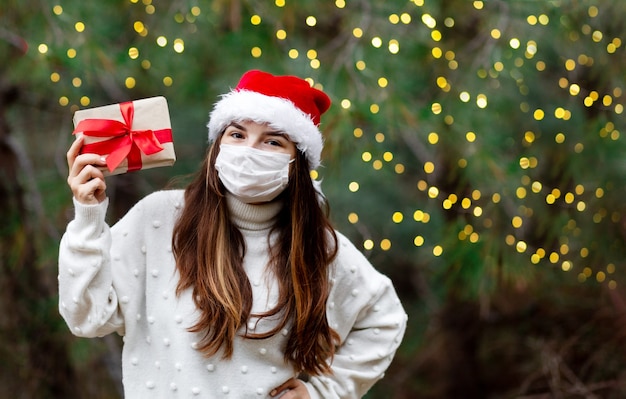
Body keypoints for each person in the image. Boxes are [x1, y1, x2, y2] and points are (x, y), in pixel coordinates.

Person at [59, 70, 407, 398]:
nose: (250, 151)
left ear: (296, 163)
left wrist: (323, 392)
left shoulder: (318, 247)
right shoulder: (158, 218)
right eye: (237, 134)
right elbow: (86, 317)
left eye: (272, 142)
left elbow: (385, 320)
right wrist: (88, 217)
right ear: (218, 145)